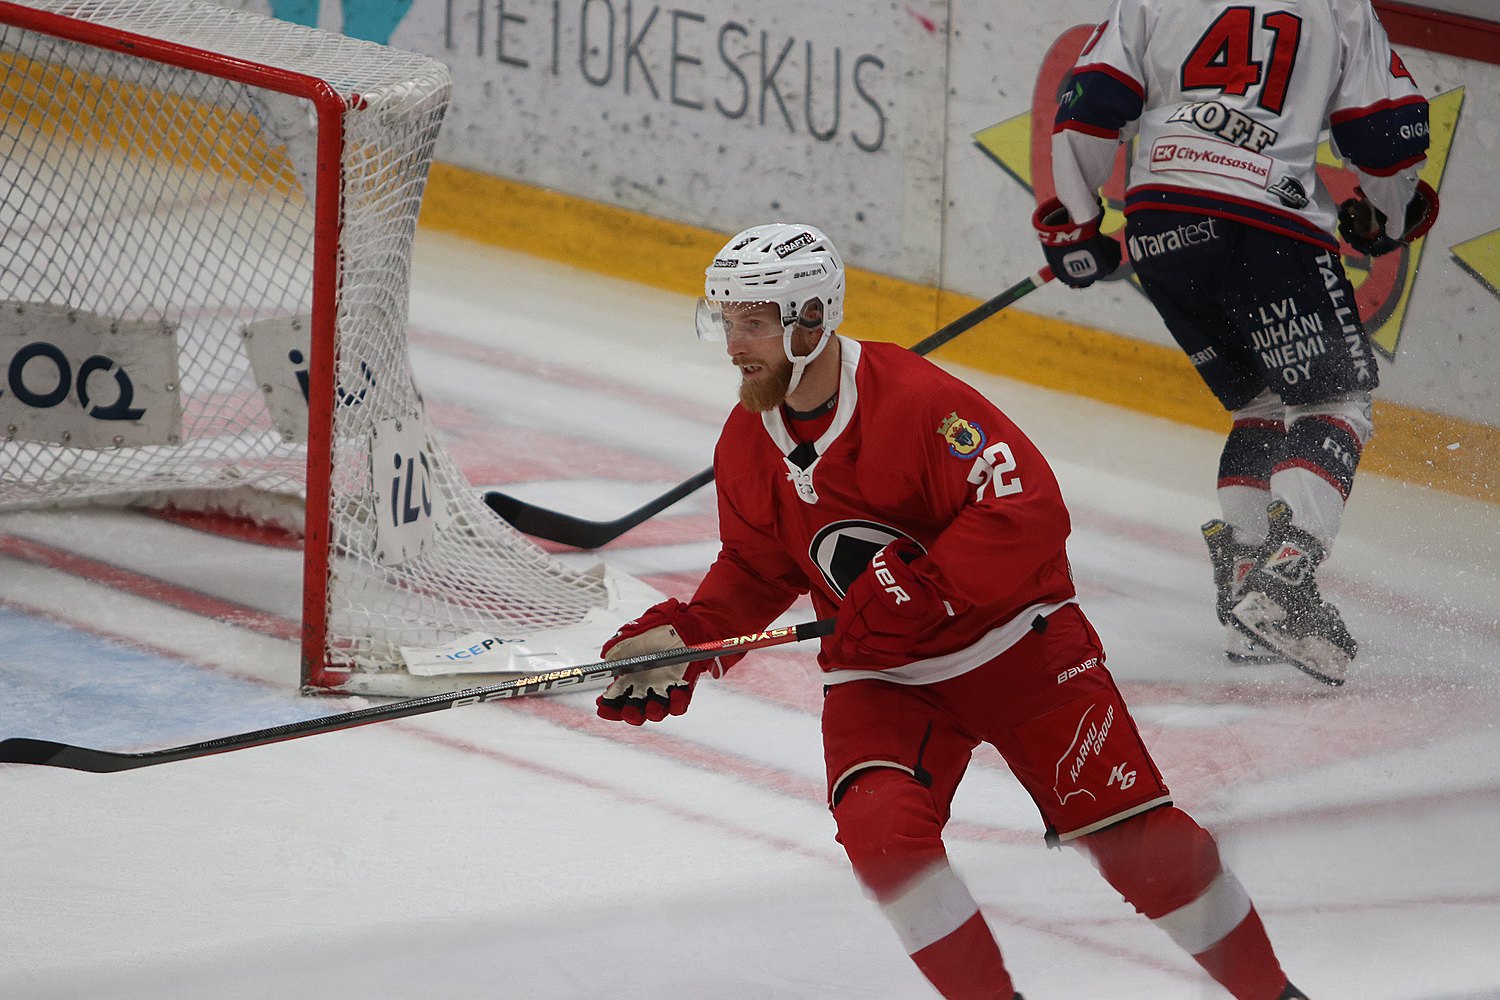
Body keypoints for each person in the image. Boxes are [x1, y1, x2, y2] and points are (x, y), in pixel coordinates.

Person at [593, 222, 1309, 1000]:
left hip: (1018, 643)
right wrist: (691, 636)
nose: (735, 342)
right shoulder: (745, 442)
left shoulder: (920, 403)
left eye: (753, 321)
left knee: (1133, 841)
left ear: (810, 317)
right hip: (883, 675)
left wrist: (930, 585)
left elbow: (1028, 507)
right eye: (725, 319)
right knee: (884, 843)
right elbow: (755, 569)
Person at [1032, 0, 1436, 686]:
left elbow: (1091, 101)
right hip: (1268, 224)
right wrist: (1388, 216)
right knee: (1335, 398)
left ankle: (1247, 583)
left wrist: (1074, 222)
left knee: (1260, 404)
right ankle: (1283, 588)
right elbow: (1384, 129)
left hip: (1160, 223)